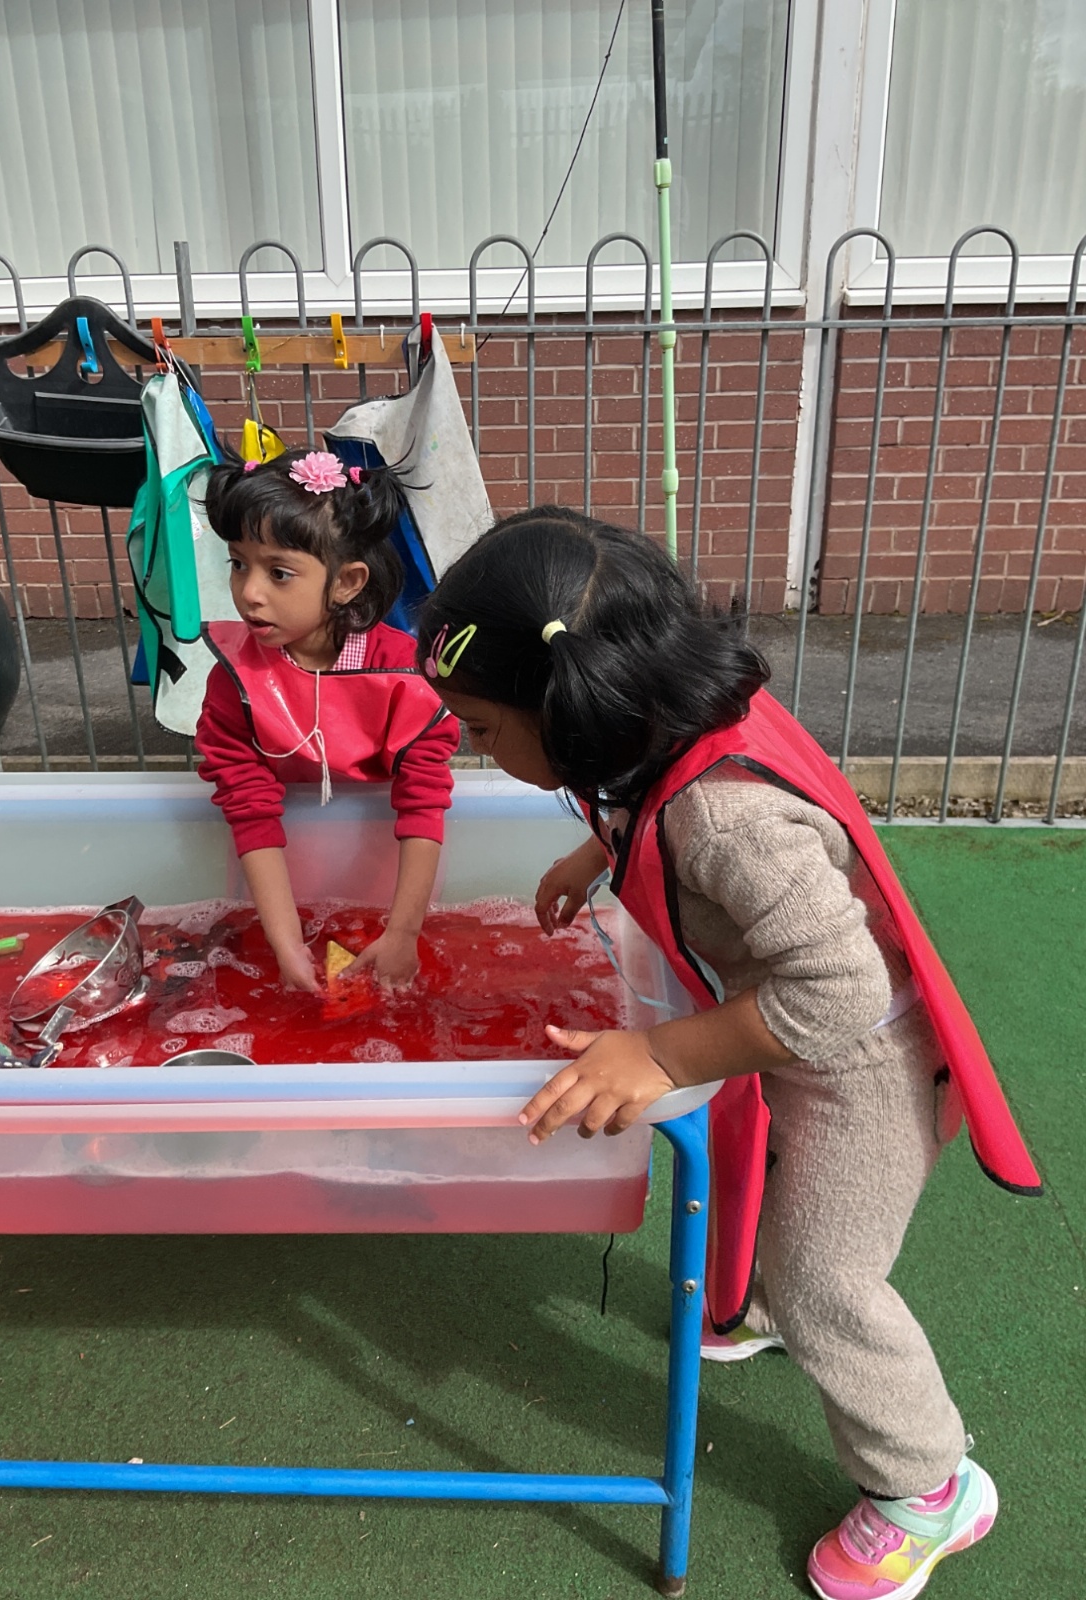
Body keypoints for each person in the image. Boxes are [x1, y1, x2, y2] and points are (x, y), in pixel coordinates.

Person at [416, 506, 1040, 1600]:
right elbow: (644, 803)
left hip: (861, 1066)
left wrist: (659, 1054)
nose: (474, 747)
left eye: (480, 727)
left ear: (575, 712)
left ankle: (929, 1485)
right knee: (778, 1208)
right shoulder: (658, 731)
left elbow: (838, 988)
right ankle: (762, 1307)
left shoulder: (725, 822)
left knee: (828, 1282)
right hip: (786, 1033)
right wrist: (596, 855)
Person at [195, 448, 458, 993]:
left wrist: (403, 931)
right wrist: (284, 940)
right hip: (275, 889)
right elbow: (247, 805)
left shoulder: (402, 676)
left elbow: (424, 800)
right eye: (238, 563)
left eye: (279, 573)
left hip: (390, 886)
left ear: (347, 582)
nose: (249, 592)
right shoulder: (235, 683)